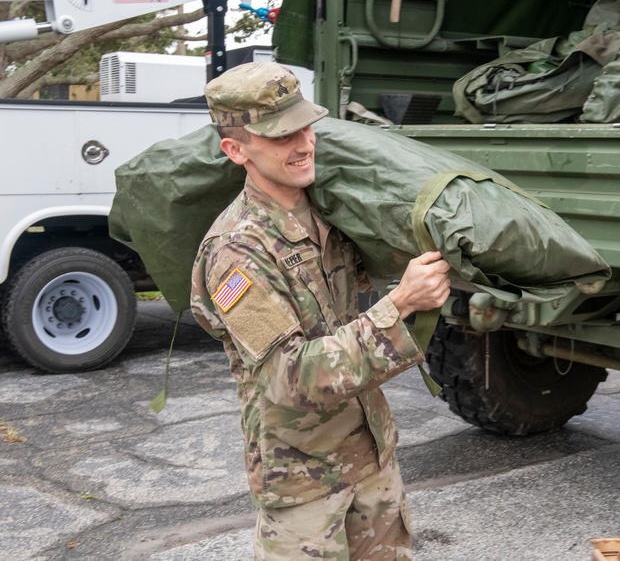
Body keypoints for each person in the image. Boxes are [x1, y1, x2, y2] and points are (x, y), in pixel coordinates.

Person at [190, 62, 451, 561]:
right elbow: (290, 377)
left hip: (372, 455)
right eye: (281, 136)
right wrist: (400, 306)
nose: (303, 143)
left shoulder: (329, 210)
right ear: (235, 150)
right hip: (304, 482)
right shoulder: (236, 255)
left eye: (305, 126)